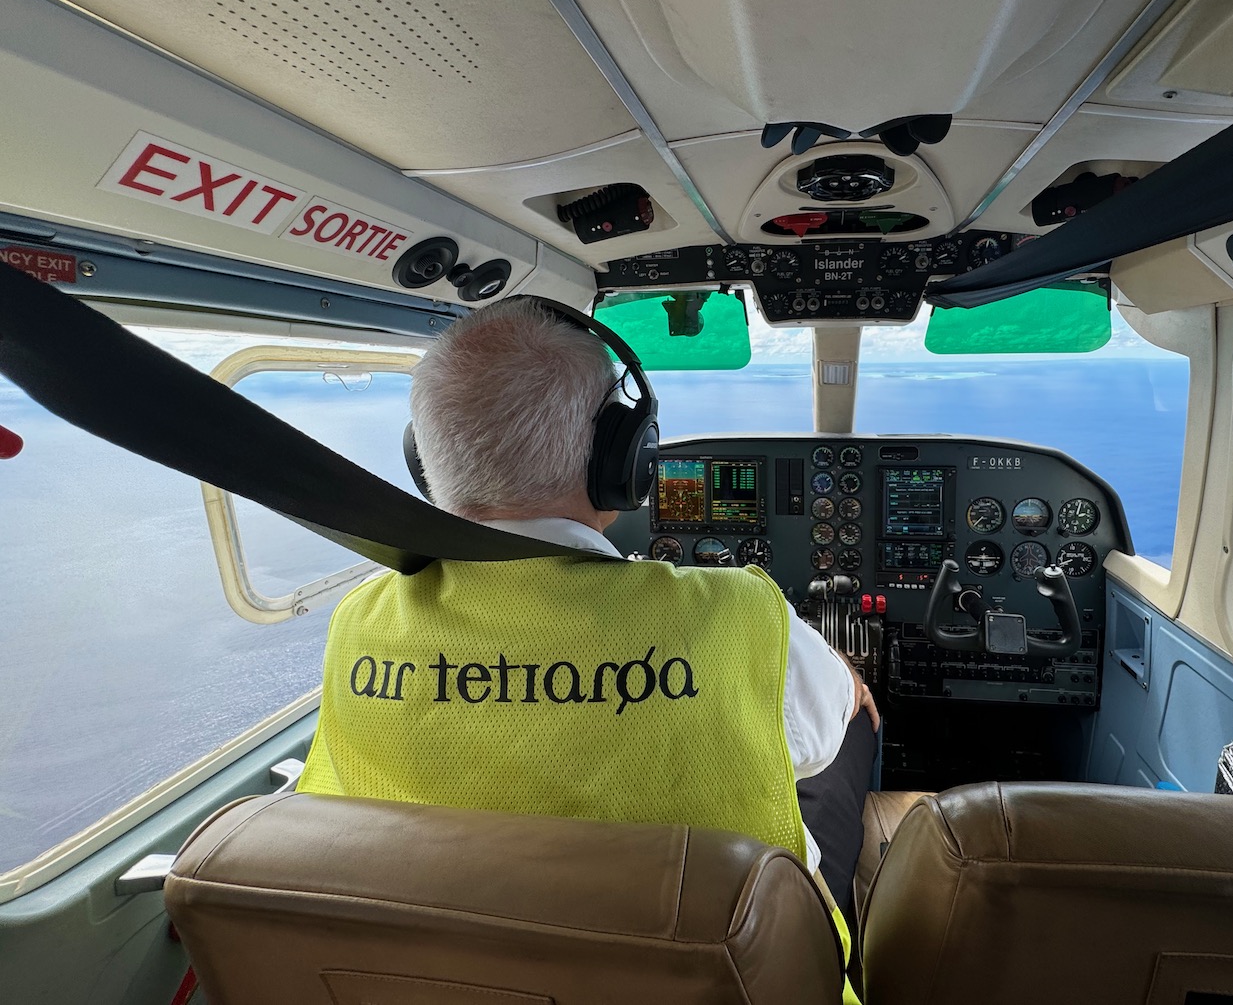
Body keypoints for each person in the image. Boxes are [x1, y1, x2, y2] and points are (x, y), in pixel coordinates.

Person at [299, 295, 879, 926]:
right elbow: (821, 736)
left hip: (444, 963)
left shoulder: (359, 622)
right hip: (721, 963)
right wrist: (849, 676)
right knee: (851, 729)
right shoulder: (740, 615)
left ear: (424, 459)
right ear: (623, 458)